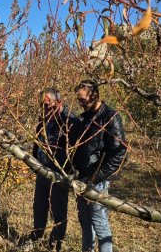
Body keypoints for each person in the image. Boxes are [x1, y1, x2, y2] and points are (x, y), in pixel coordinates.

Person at [73, 80, 127, 252]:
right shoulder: (87, 117)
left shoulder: (110, 117)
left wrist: (97, 176)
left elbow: (120, 153)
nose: (80, 103)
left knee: (99, 222)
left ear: (94, 95)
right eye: (79, 100)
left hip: (97, 180)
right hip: (82, 177)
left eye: (82, 99)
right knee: (85, 221)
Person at [23, 88, 79, 251]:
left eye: (47, 105)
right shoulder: (44, 119)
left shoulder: (69, 121)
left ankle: (56, 243)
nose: (44, 108)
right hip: (42, 170)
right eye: (42, 105)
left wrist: (67, 172)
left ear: (59, 103)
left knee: (58, 210)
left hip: (59, 174)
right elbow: (38, 142)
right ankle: (36, 237)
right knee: (39, 206)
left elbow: (75, 150)